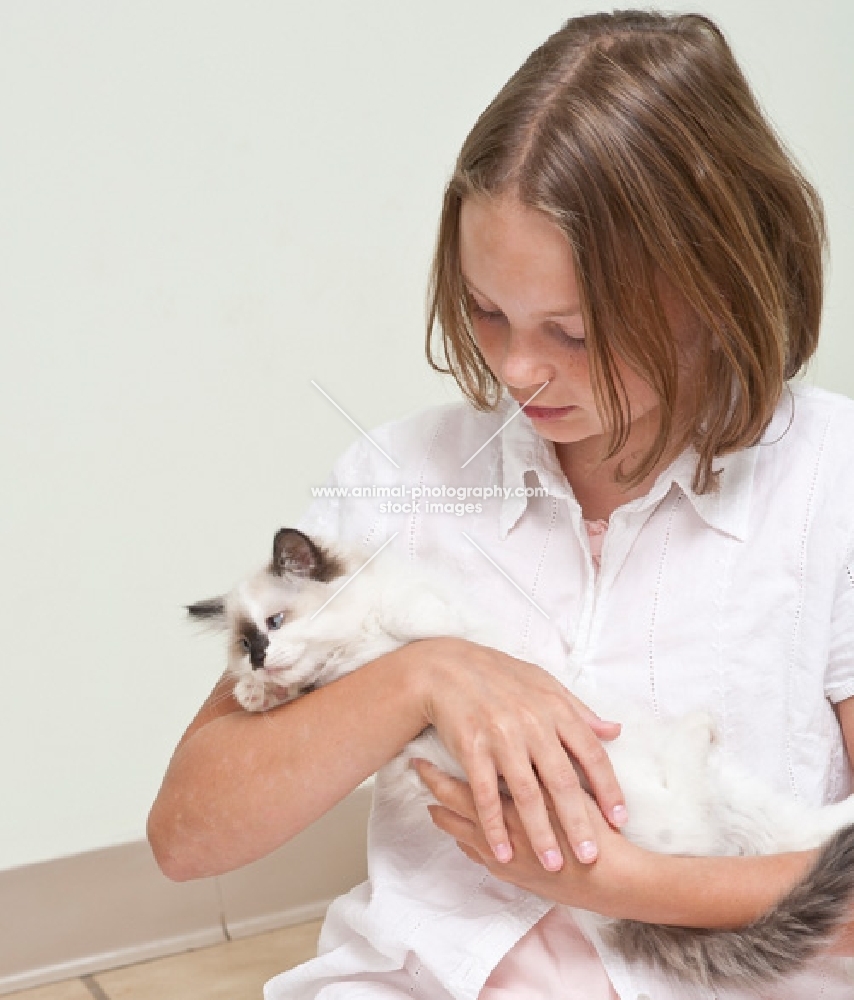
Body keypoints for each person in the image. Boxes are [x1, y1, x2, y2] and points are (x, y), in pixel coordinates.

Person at [147, 10, 854, 999]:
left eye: (570, 330)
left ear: (706, 285)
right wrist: (423, 678)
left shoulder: (830, 482)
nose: (519, 369)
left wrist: (630, 883)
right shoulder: (399, 477)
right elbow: (188, 833)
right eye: (487, 312)